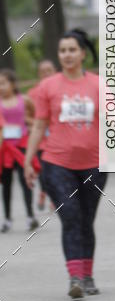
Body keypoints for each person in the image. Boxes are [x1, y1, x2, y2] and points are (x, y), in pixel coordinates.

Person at [24, 29, 106, 300]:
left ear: (82, 54)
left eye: (72, 50)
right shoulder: (48, 87)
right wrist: (28, 161)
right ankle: (75, 277)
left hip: (94, 164)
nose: (67, 55)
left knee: (86, 219)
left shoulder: (98, 84)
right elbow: (39, 126)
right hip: (56, 163)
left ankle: (88, 274)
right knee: (70, 215)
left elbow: (114, 122)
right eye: (63, 51)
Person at [0, 69, 37, 232]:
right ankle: (7, 218)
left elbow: (36, 116)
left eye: (3, 83)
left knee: (25, 181)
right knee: (6, 184)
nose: (1, 87)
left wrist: (30, 125)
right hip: (5, 148)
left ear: (13, 84)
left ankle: (30, 216)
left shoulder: (25, 100)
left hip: (22, 145)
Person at [28, 59, 57, 211]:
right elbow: (27, 116)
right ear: (39, 74)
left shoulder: (62, 89)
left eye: (49, 70)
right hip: (41, 140)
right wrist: (37, 123)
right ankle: (44, 191)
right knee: (43, 171)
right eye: (43, 71)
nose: (46, 74)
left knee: (55, 171)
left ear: (55, 71)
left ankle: (53, 197)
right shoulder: (32, 94)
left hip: (58, 139)